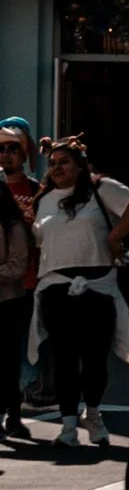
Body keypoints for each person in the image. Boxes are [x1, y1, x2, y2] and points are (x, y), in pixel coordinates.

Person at [32, 136, 129, 454]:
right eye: (52, 163)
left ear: (80, 164)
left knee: (95, 359)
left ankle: (93, 414)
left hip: (96, 286)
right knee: (64, 359)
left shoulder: (100, 188)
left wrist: (115, 235)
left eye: (64, 161)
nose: (57, 167)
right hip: (56, 287)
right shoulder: (44, 199)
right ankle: (68, 425)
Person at [0, 120, 36, 444]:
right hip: (6, 285)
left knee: (22, 354)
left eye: (15, 148)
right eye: (2, 149)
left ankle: (15, 412)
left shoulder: (39, 190)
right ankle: (9, 414)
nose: (8, 154)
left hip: (29, 283)